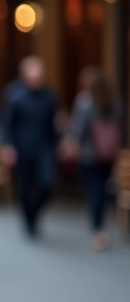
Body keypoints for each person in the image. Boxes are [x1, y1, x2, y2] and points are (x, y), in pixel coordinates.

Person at [62, 67, 124, 250]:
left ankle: (97, 230)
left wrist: (69, 142)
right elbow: (120, 128)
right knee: (102, 191)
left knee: (94, 192)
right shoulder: (115, 102)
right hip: (108, 154)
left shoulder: (85, 102)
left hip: (89, 155)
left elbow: (78, 130)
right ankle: (100, 228)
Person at [0, 57, 58, 237]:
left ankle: (34, 213)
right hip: (22, 147)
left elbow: (53, 123)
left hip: (44, 147)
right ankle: (28, 218)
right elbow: (7, 122)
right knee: (25, 186)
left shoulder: (49, 95)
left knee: (47, 183)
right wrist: (8, 145)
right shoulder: (14, 94)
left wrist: (59, 142)